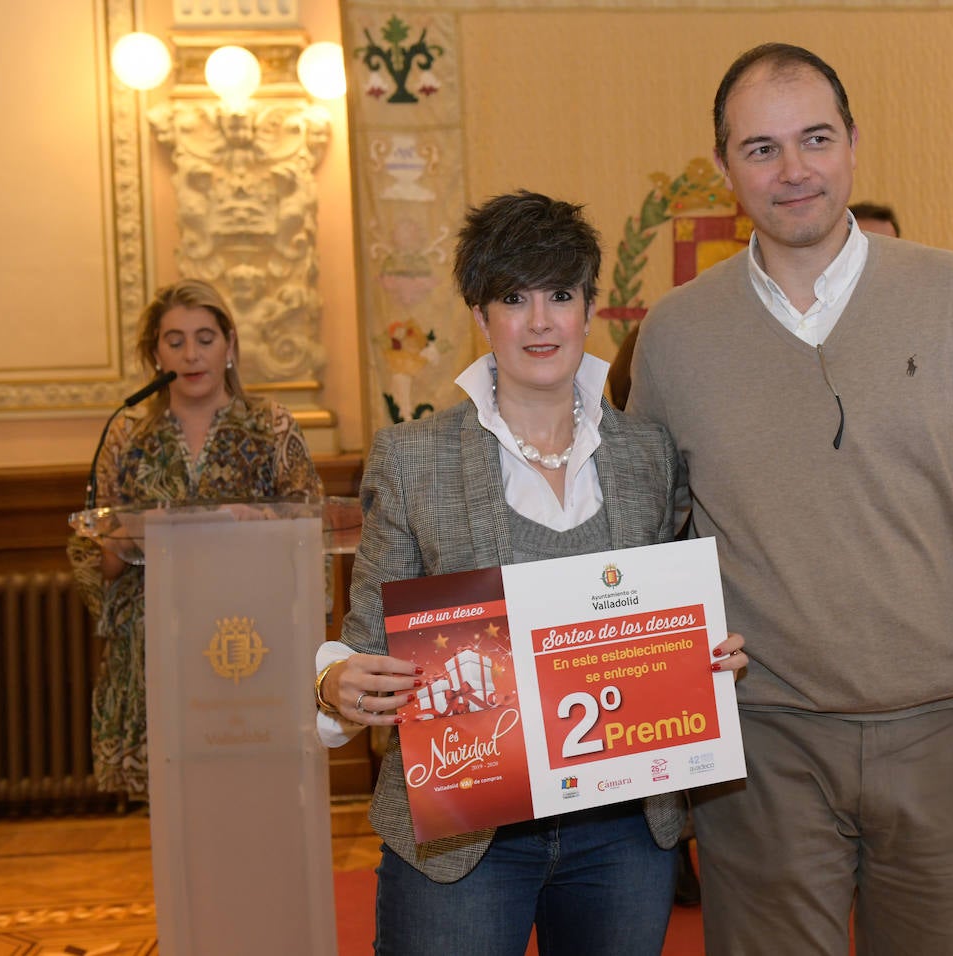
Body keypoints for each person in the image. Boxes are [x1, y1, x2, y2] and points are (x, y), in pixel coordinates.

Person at [627, 43, 953, 954]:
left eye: (816, 139)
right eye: (761, 149)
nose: (793, 170)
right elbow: (642, 553)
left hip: (944, 735)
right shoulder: (675, 337)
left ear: (853, 145)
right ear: (724, 169)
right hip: (760, 756)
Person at [311, 190, 747, 955]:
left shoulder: (649, 455)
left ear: (589, 309)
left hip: (622, 836)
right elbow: (362, 641)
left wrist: (708, 657)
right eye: (514, 298)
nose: (540, 321)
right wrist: (334, 685)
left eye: (561, 295)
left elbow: (663, 623)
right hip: (461, 837)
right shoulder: (413, 458)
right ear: (481, 318)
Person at [67, 278, 322, 799]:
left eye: (205, 337)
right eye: (174, 340)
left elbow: (311, 528)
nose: (191, 354)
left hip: (254, 645)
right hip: (155, 647)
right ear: (155, 352)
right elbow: (95, 553)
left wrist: (259, 523)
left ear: (229, 344)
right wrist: (124, 539)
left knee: (255, 801)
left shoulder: (270, 425)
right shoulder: (128, 434)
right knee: (178, 812)